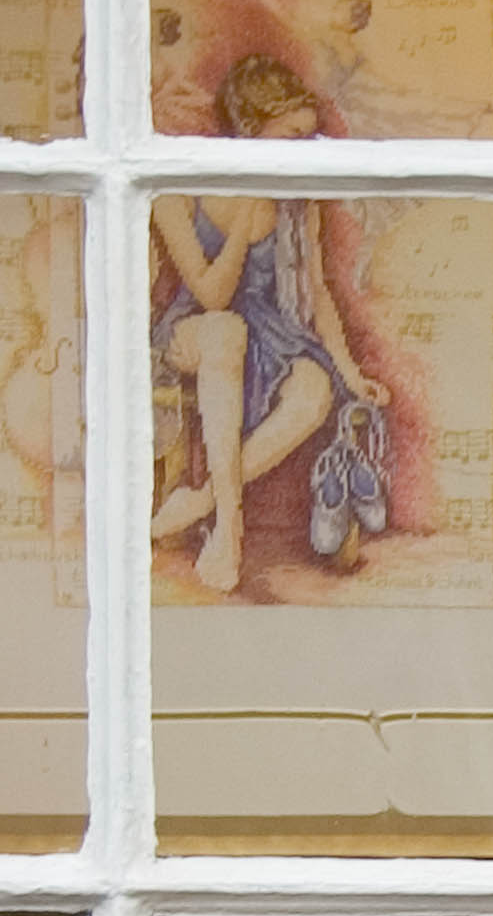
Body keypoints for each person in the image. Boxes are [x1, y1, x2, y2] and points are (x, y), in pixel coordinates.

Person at [150, 51, 391, 600]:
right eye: (293, 138)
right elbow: (212, 295)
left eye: (311, 139)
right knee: (225, 332)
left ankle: (200, 502)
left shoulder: (298, 199)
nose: (306, 153)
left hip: (270, 331)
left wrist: (351, 375)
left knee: (314, 389)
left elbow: (317, 293)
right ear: (253, 134)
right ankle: (229, 531)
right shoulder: (180, 190)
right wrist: (244, 214)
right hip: (196, 328)